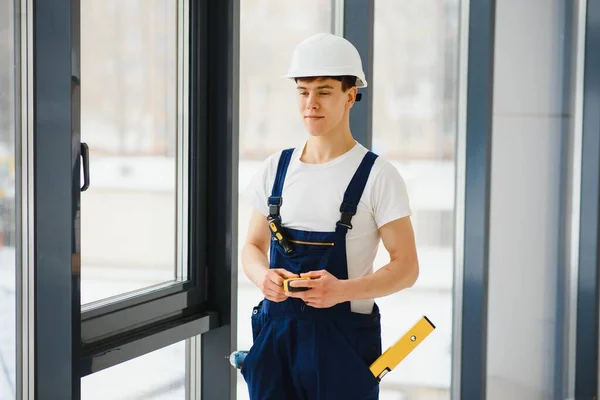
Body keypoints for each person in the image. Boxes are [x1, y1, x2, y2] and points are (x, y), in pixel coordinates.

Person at [240, 32, 419, 400]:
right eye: (303, 92)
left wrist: (341, 290)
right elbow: (252, 246)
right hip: (276, 341)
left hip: (344, 348)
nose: (311, 104)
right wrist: (264, 278)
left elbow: (407, 267)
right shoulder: (276, 169)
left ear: (350, 96)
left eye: (324, 91)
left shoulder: (377, 176)